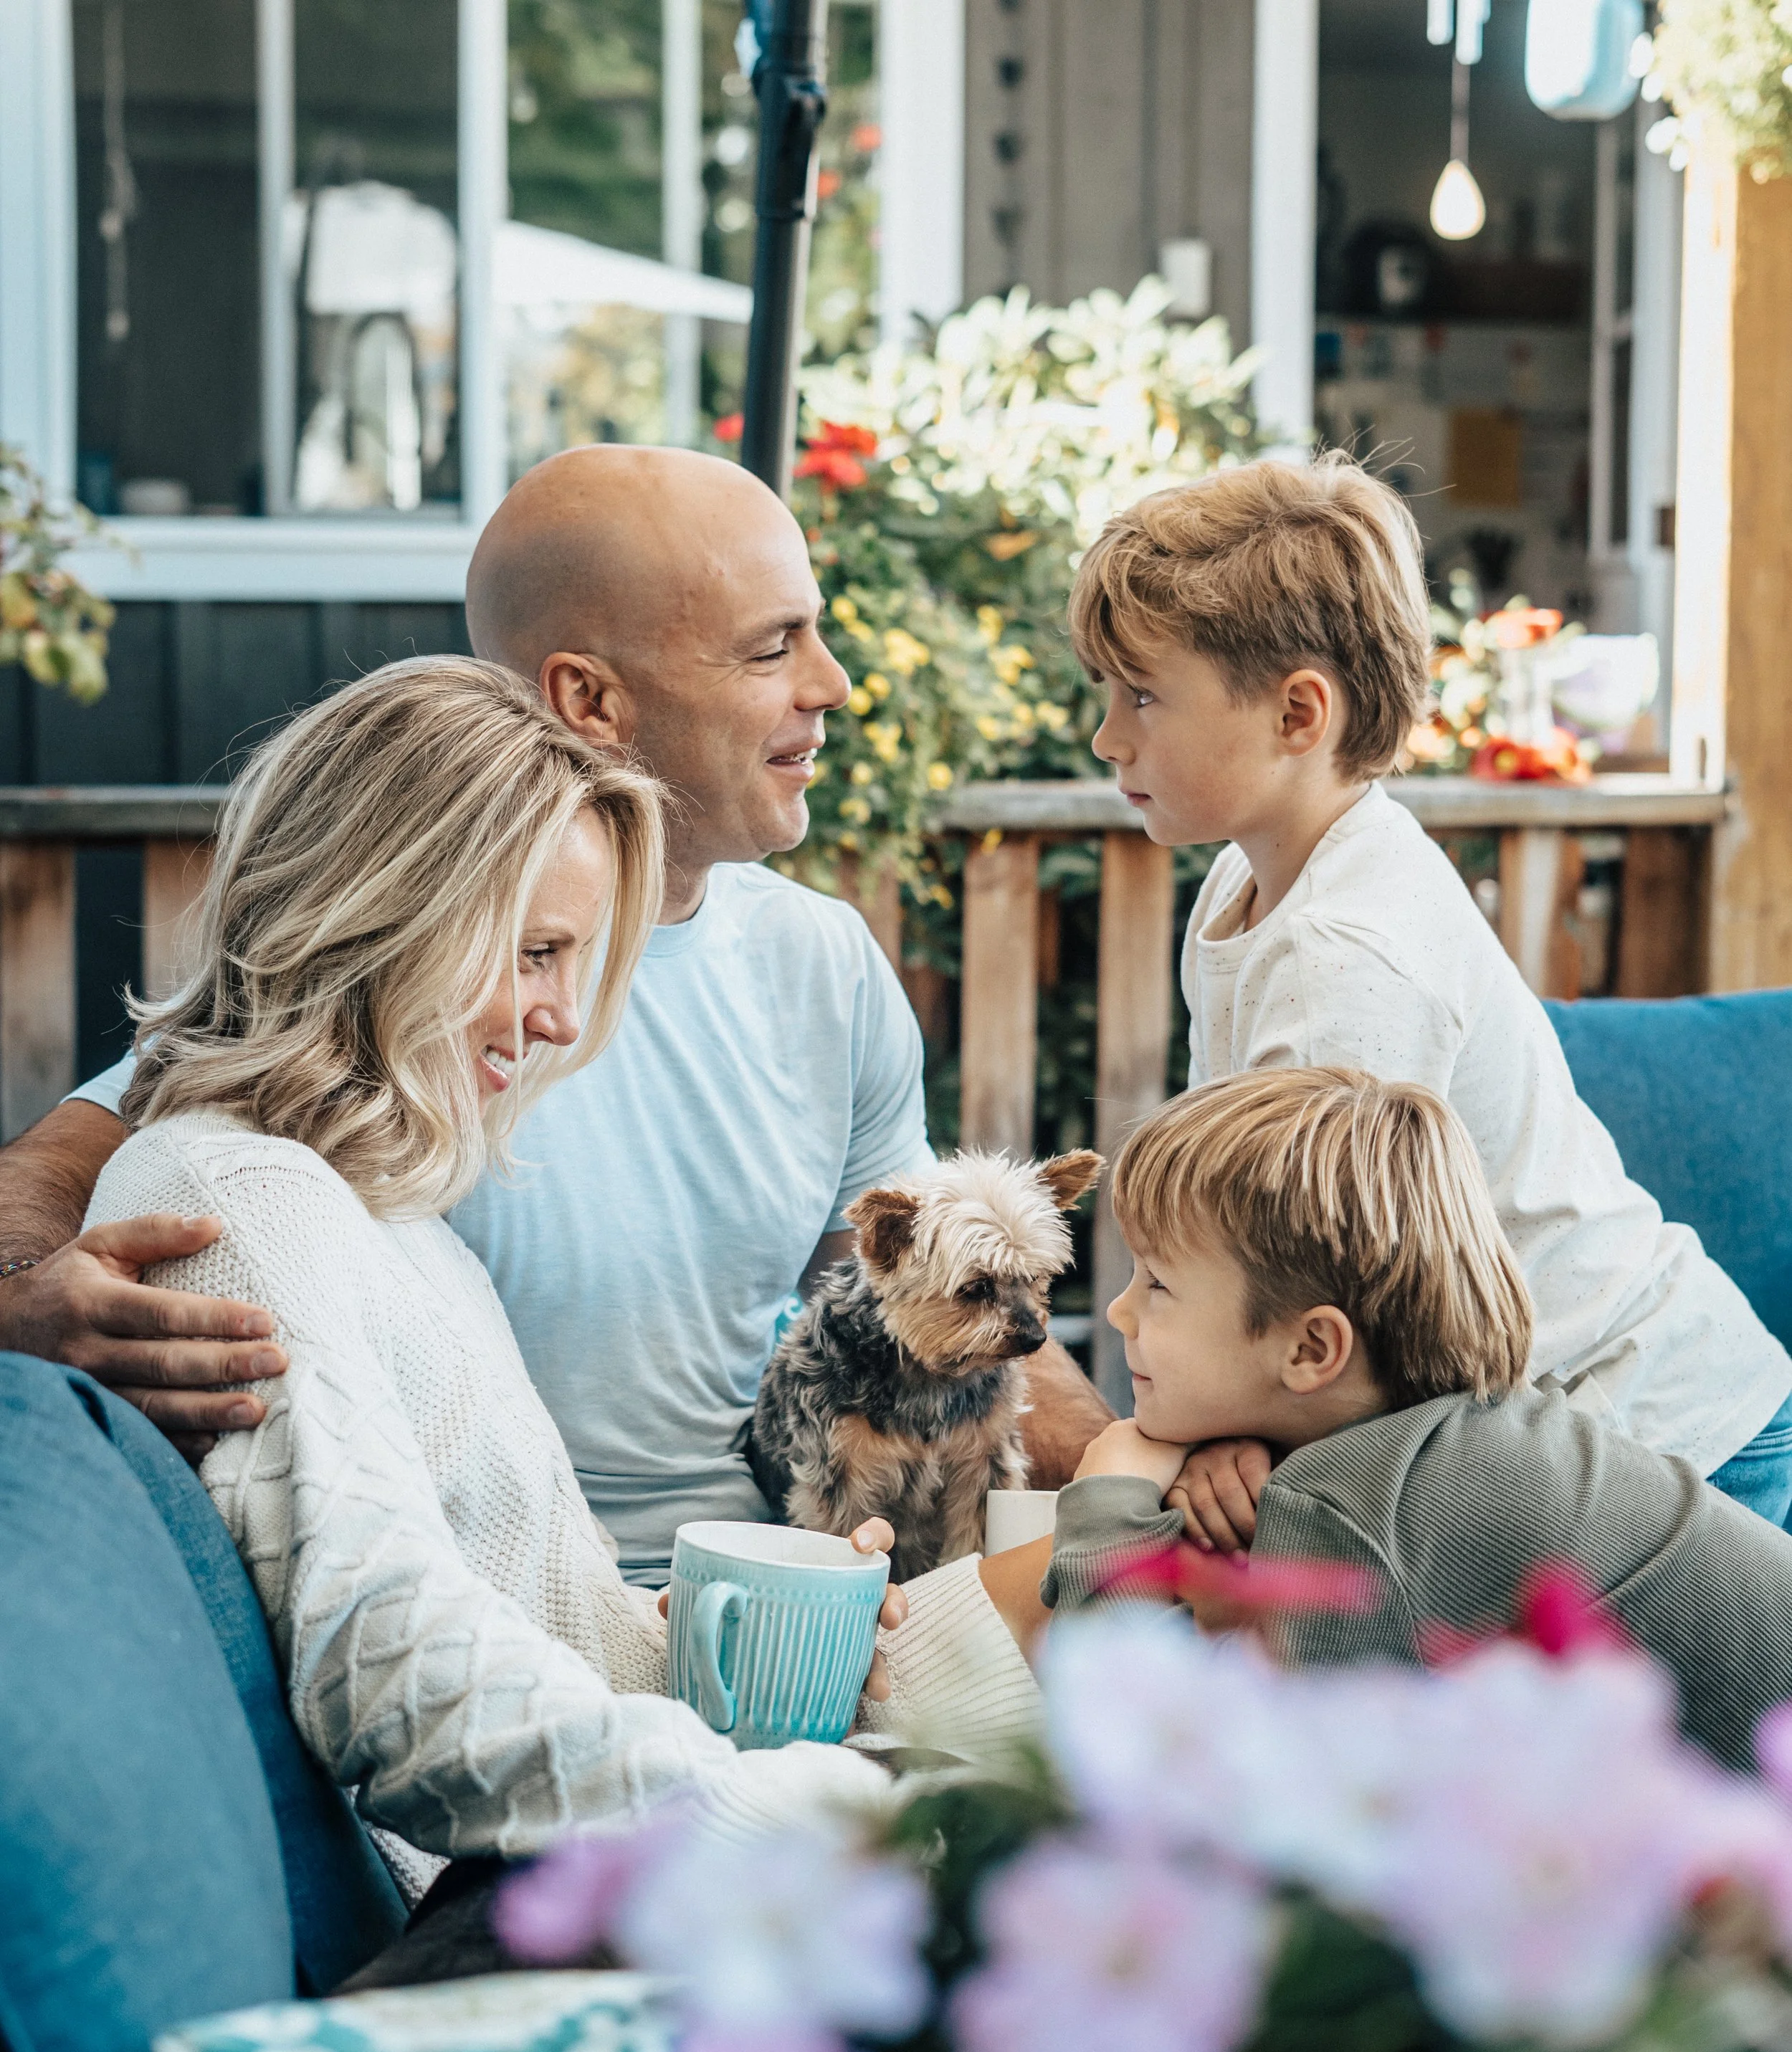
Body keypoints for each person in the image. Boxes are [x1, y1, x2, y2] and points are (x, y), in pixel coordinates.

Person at [0, 447, 1125, 1584]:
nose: (831, 683)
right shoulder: (420, 979)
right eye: (772, 646)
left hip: (775, 1578)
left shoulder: (820, 960)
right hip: (507, 1584)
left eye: (815, 632)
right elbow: (72, 1165)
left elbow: (947, 1307)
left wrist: (1149, 1462)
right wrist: (19, 1302)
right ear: (588, 698)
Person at [77, 657, 1039, 1876]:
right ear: (384, 911)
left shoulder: (401, 1224)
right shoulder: (240, 1202)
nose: (561, 1021)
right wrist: (813, 1816)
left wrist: (779, 1662)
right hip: (485, 1915)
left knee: (1085, 1628)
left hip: (588, 1846)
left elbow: (528, 1614)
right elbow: (395, 1678)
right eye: (535, 953)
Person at [1067, 452, 1792, 1542]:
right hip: (1522, 1426)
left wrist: (1223, 1435)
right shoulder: (1246, 875)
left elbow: (1364, 1301)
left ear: (1298, 714)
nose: (1108, 736)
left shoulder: (1345, 957)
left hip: (1670, 1435)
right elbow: (1243, 1235)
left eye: (1143, 696)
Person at [1039, 1067, 1792, 1775]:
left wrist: (1112, 1494)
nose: (1118, 1309)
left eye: (1157, 1283)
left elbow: (1164, 1764)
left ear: (1309, 1348)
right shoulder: (1455, 1437)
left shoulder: (1360, 1500)